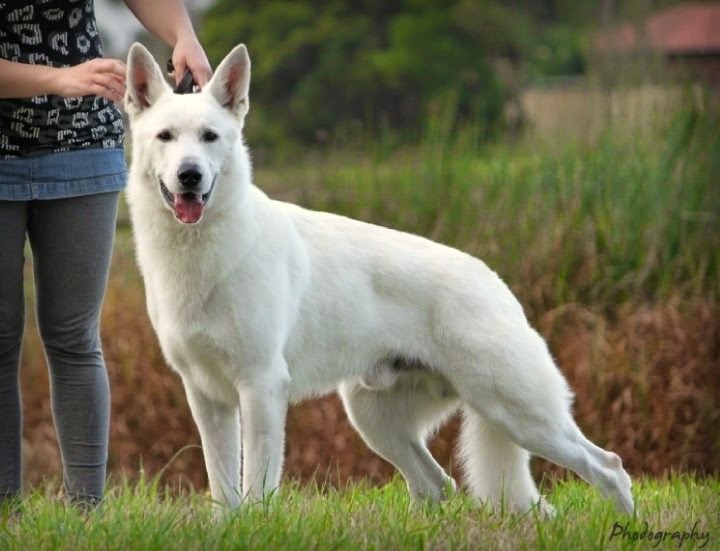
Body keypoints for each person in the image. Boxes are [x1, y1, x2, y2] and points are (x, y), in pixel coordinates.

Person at [0, 0, 211, 507]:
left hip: (82, 144)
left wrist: (182, 34)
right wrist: (59, 79)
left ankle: (85, 515)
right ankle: (7, 511)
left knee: (73, 337)